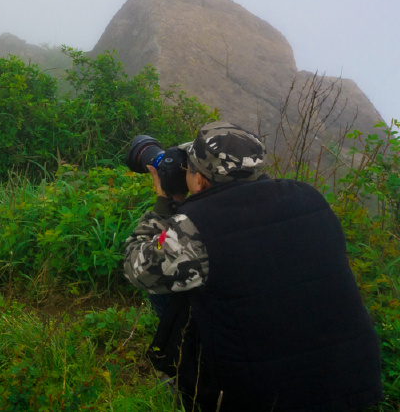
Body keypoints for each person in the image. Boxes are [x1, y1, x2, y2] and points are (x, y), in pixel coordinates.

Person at [123, 121, 382, 412]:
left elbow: (137, 269)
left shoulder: (196, 227)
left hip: (262, 399)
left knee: (169, 282)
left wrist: (163, 205)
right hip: (353, 383)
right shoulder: (309, 196)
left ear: (198, 180)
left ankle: (184, 378)